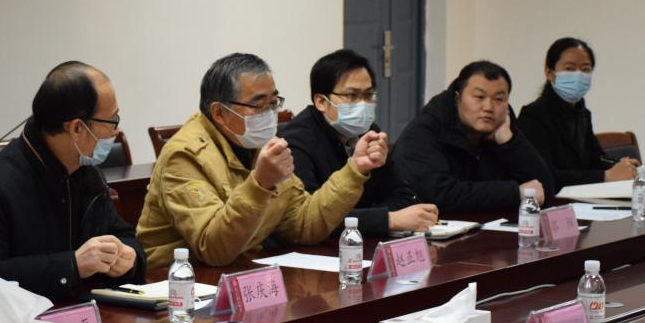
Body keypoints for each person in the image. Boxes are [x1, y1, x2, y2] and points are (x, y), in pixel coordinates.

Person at [136, 52, 387, 269]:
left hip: (241, 269)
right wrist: (260, 184)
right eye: (258, 105)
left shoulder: (258, 144)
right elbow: (214, 249)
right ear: (219, 112)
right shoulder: (184, 156)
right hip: (176, 282)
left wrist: (355, 169)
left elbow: (304, 224)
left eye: (273, 102)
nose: (270, 114)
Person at [0, 61, 146, 305]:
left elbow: (123, 236)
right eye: (112, 121)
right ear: (77, 128)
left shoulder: (86, 172)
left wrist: (129, 258)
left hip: (84, 315)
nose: (116, 131)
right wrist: (71, 266)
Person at [279, 49, 438, 236]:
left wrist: (377, 219)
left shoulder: (369, 132)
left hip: (364, 241)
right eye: (352, 96)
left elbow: (402, 194)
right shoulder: (295, 142)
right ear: (321, 101)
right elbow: (309, 220)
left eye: (368, 95)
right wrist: (388, 220)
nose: (362, 104)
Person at [394, 60, 555, 212]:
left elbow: (544, 188)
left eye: (499, 99)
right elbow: (439, 194)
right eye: (479, 97)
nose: (488, 107)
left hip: (486, 224)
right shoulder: (424, 130)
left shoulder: (502, 126)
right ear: (457, 98)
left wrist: (509, 142)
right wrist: (515, 193)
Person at [517, 37, 639, 187]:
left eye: (585, 69)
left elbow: (597, 158)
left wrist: (618, 165)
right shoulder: (533, 116)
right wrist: (606, 176)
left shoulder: (583, 113)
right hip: (554, 199)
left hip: (584, 195)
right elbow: (546, 176)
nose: (578, 75)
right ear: (549, 72)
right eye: (569, 68)